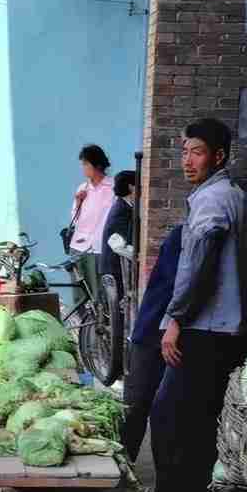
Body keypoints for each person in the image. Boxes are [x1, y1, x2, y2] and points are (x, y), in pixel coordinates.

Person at [136, 118, 247, 492]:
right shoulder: (237, 199)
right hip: (229, 331)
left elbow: (196, 268)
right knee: (201, 425)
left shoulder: (212, 201)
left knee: (169, 422)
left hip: (203, 330)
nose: (187, 160)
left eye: (197, 152)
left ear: (218, 156)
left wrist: (175, 319)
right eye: (184, 151)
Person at [119, 224, 183, 464]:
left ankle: (164, 474)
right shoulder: (183, 237)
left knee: (163, 411)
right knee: (136, 405)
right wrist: (175, 324)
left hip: (175, 333)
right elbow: (181, 286)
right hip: (155, 329)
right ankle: (123, 464)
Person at [68, 145, 115, 303]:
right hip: (78, 246)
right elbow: (74, 218)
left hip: (98, 248)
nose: (84, 169)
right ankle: (81, 327)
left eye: (86, 164)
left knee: (98, 294)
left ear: (97, 165)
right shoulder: (83, 188)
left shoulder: (112, 188)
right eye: (83, 164)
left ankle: (98, 327)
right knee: (79, 295)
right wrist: (78, 201)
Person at [99, 171, 136, 303]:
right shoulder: (121, 210)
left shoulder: (124, 206)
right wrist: (138, 256)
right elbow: (118, 244)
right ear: (131, 187)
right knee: (118, 311)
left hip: (114, 268)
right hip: (114, 269)